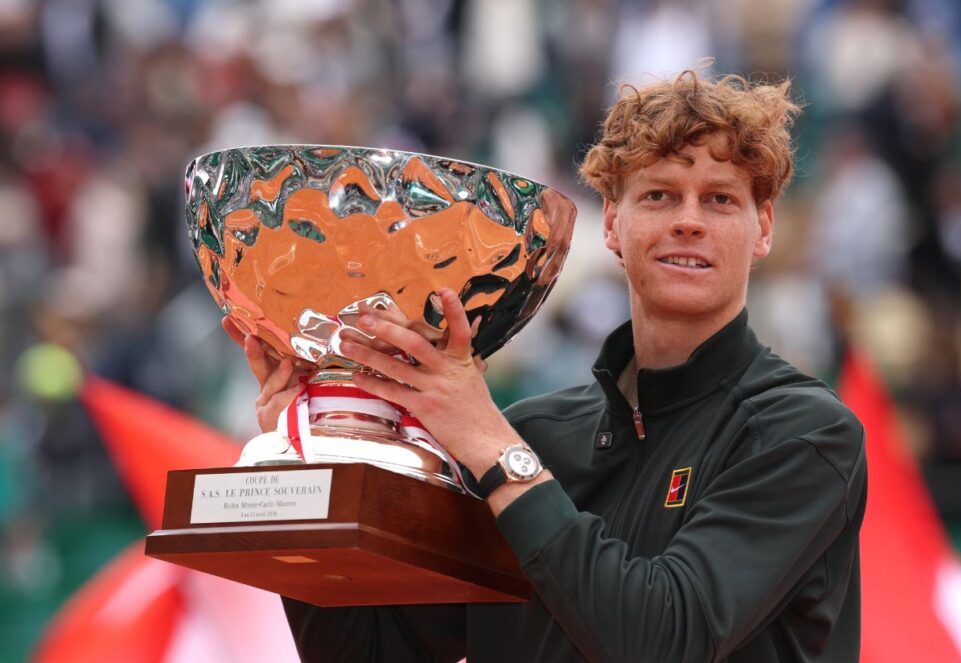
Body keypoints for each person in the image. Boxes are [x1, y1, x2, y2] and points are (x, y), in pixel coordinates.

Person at [228, 69, 867, 662]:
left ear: (763, 228)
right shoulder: (534, 435)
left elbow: (665, 639)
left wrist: (494, 449)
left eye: (721, 200)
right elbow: (371, 655)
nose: (688, 222)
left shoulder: (803, 434)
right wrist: (322, 459)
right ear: (612, 223)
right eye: (659, 195)